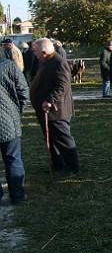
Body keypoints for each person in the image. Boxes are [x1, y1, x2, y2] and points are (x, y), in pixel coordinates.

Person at [30, 38, 80, 174]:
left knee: (63, 139)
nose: (34, 54)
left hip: (56, 111)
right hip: (47, 111)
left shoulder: (58, 62)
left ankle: (72, 166)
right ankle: (59, 163)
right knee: (51, 139)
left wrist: (49, 100)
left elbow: (63, 85)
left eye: (36, 51)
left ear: (44, 52)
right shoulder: (46, 62)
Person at [0, 54, 28, 204]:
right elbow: (23, 90)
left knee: (13, 159)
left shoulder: (9, 65)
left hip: (7, 117)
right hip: (8, 119)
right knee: (13, 159)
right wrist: (17, 111)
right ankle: (17, 195)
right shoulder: (9, 65)